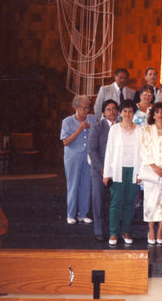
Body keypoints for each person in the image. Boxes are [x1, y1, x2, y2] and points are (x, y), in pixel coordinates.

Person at [103, 99, 142, 246]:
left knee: (129, 202)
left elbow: (142, 153)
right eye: (124, 111)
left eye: (130, 111)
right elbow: (109, 152)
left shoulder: (140, 130)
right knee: (116, 202)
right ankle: (113, 233)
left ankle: (126, 231)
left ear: (134, 113)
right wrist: (107, 173)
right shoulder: (115, 129)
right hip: (117, 171)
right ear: (121, 112)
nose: (127, 114)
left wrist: (140, 174)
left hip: (133, 171)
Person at [139, 102, 162, 245]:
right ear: (153, 114)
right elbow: (143, 150)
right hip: (151, 170)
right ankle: (151, 230)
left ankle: (160, 230)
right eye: (157, 112)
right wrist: (154, 167)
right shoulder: (145, 130)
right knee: (151, 202)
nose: (160, 115)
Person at [61, 95, 97, 225]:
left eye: (88, 107)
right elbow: (66, 141)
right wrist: (79, 129)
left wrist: (90, 127)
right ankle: (70, 214)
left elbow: (97, 135)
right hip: (73, 156)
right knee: (73, 184)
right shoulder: (67, 121)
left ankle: (83, 214)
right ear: (76, 108)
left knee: (86, 185)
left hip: (88, 157)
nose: (87, 110)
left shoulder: (92, 119)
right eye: (84, 108)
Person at [88, 99, 118, 241]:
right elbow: (92, 151)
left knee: (116, 201)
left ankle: (114, 230)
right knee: (98, 200)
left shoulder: (121, 127)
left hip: (116, 170)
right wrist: (102, 169)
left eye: (114, 109)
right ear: (103, 113)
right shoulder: (97, 128)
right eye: (108, 109)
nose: (112, 112)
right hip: (99, 170)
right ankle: (99, 230)